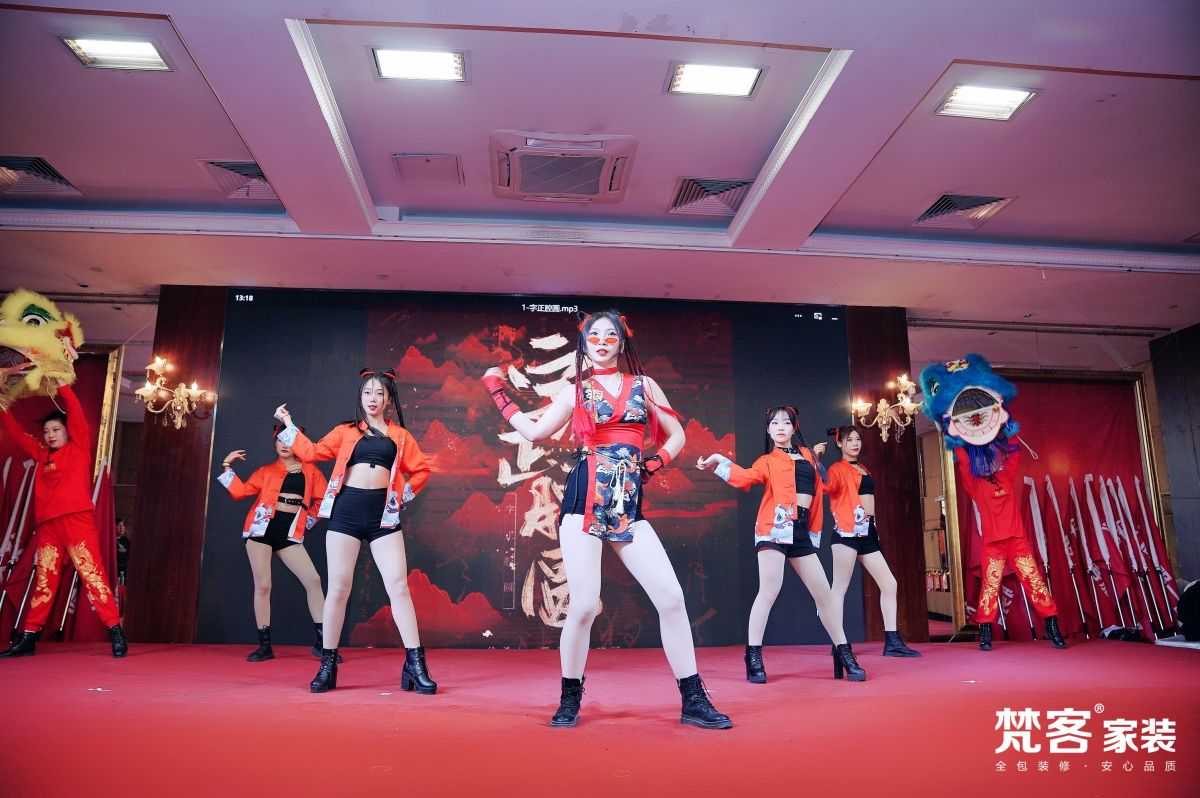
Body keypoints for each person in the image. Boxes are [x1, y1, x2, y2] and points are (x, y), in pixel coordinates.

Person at [482, 310, 731, 729]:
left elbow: (677, 435)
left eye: (610, 335)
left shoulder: (643, 386)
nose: (601, 341)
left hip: (627, 502)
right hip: (584, 497)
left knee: (671, 598)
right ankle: (569, 698)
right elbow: (535, 432)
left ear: (622, 342)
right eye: (593, 334)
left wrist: (653, 464)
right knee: (583, 606)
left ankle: (693, 699)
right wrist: (497, 392)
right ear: (584, 344)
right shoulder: (576, 390)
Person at [273, 368, 435, 692]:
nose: (372, 399)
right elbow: (312, 452)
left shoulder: (400, 436)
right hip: (345, 513)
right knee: (338, 589)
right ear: (360, 397)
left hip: (383, 516)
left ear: (388, 399)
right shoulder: (345, 431)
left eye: (379, 393)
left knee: (398, 587)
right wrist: (288, 425)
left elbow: (421, 470)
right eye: (367, 393)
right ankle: (327, 664)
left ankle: (415, 664)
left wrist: (402, 495)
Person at [696, 405, 866, 682]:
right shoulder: (767, 461)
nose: (780, 427)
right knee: (768, 591)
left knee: (824, 594)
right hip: (774, 528)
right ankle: (753, 656)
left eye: (786, 423)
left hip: (801, 530)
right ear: (768, 430)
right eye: (774, 424)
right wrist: (719, 461)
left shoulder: (808, 456)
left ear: (794, 427)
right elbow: (746, 477)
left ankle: (843, 652)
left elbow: (820, 487)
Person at [0, 382, 127, 658]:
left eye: (56, 429)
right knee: (45, 580)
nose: (50, 435)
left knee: (92, 575)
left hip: (77, 523)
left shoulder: (78, 447)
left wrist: (64, 388)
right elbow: (18, 434)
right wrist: (2, 408)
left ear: (68, 431)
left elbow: (76, 414)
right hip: (48, 527)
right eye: (46, 431)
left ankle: (115, 631)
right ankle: (29, 636)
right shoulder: (42, 455)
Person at [217, 426, 331, 662]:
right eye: (279, 440)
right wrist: (227, 466)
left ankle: (323, 644)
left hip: (288, 533)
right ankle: (265, 645)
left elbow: (324, 499)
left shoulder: (311, 470)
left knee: (313, 580)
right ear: (274, 443)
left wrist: (308, 521)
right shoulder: (266, 471)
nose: (284, 444)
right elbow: (240, 492)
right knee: (264, 585)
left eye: (289, 439)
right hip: (260, 530)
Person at [824, 425, 920, 658]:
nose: (855, 443)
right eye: (849, 440)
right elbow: (827, 487)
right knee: (839, 588)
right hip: (847, 532)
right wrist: (816, 462)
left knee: (889, 584)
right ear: (839, 444)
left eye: (857, 439)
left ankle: (892, 641)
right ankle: (838, 644)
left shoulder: (863, 468)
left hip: (867, 531)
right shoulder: (837, 468)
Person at [115, 518, 130, 585]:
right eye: (119, 525)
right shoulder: (109, 540)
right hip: (115, 570)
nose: (122, 528)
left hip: (125, 570)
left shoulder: (126, 541)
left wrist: (126, 551)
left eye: (123, 525)